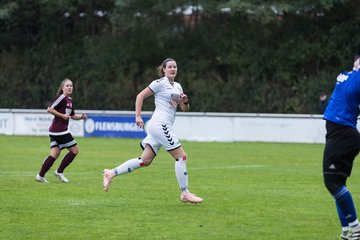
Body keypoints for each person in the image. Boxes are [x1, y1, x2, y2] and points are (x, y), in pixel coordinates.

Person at [102, 58, 203, 204]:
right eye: (169, 67)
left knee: (145, 160)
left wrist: (185, 101)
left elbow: (185, 110)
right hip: (160, 124)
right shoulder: (159, 83)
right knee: (181, 157)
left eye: (175, 67)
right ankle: (185, 193)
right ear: (164, 69)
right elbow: (140, 96)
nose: (173, 69)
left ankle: (111, 173)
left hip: (161, 126)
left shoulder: (178, 87)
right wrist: (138, 116)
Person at [323, 50, 360, 239]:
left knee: (331, 182)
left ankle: (356, 227)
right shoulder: (345, 76)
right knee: (338, 183)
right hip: (336, 133)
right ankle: (346, 231)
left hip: (343, 134)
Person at [35, 78, 87, 183]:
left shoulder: (70, 100)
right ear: (62, 88)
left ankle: (40, 176)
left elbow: (72, 116)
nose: (69, 87)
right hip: (60, 131)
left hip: (55, 131)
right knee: (75, 151)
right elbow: (49, 109)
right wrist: (62, 116)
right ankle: (59, 171)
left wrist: (81, 117)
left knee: (54, 153)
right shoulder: (62, 97)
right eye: (67, 86)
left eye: (71, 86)